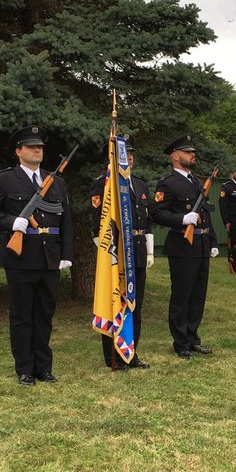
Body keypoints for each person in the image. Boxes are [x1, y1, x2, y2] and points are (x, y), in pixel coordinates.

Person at [0, 125, 74, 385]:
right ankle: (25, 369)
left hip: (49, 257)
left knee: (44, 315)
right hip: (21, 258)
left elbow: (66, 220)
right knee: (21, 316)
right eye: (31, 147)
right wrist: (11, 223)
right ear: (18, 152)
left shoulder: (56, 181)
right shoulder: (5, 180)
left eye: (40, 147)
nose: (37, 151)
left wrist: (66, 253)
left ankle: (43, 367)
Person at [150, 134, 219, 359]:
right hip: (182, 246)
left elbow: (205, 213)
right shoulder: (168, 183)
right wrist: (182, 219)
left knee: (198, 295)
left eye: (193, 152)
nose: (193, 155)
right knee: (182, 295)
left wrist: (213, 241)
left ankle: (193, 338)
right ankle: (181, 343)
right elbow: (157, 213)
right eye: (188, 152)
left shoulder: (197, 182)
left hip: (200, 244)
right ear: (175, 156)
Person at [89, 134, 152, 369]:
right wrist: (108, 257)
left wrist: (150, 250)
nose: (130, 158)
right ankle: (112, 357)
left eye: (132, 154)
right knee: (114, 303)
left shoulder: (140, 184)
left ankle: (131, 354)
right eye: (125, 153)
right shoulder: (105, 184)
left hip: (137, 252)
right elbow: (98, 225)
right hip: (116, 255)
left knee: (135, 305)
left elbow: (148, 221)